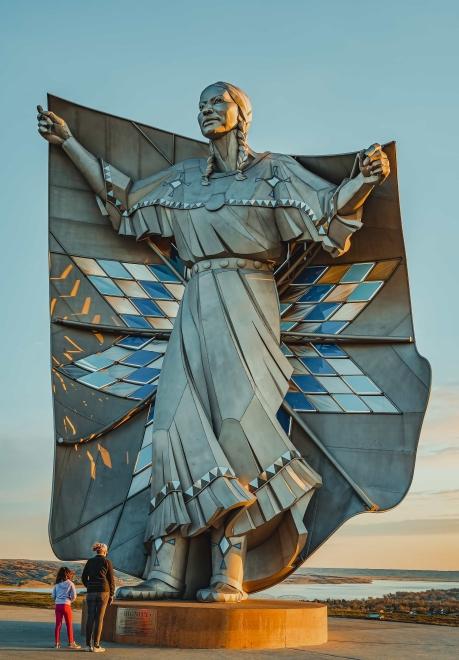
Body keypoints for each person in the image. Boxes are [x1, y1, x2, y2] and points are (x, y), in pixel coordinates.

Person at [38, 83, 390, 602]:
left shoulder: (274, 172)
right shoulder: (183, 181)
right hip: (195, 298)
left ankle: (230, 569)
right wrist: (69, 143)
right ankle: (166, 570)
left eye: (217, 101)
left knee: (238, 426)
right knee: (176, 427)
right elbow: (124, 201)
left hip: (250, 296)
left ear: (242, 114)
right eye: (200, 102)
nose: (205, 109)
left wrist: (362, 179)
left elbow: (326, 215)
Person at [81, 542, 115, 653]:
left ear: (97, 550)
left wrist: (89, 585)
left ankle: (87, 645)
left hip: (91, 592)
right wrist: (112, 594)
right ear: (105, 551)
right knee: (99, 618)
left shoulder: (90, 562)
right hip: (103, 592)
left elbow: (83, 577)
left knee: (90, 617)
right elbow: (111, 580)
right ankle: (96, 646)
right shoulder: (107, 562)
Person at [51, 567, 80, 649]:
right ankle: (71, 643)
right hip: (66, 605)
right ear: (68, 574)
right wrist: (70, 600)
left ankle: (56, 643)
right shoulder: (70, 583)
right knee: (69, 624)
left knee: (58, 624)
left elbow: (53, 596)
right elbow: (74, 596)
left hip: (58, 605)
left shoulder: (57, 584)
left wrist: (57, 600)